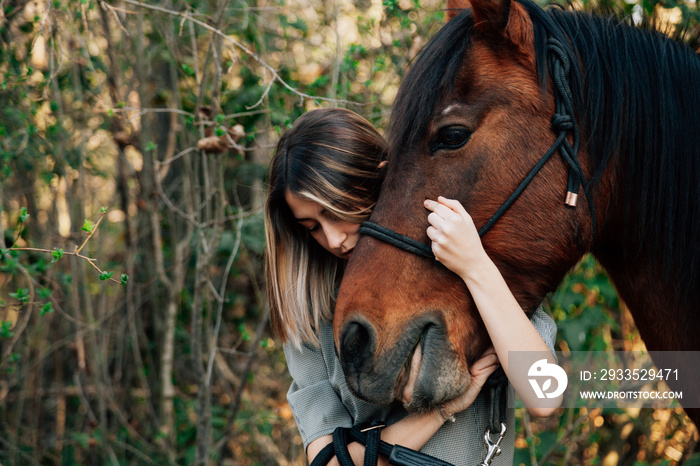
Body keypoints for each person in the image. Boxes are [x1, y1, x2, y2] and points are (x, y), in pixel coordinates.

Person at [264, 108, 559, 466]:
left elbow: (545, 395)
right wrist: (437, 412)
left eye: (338, 210)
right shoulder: (310, 315)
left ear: (381, 177)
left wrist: (476, 267)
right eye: (312, 226)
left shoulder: (471, 272)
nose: (334, 238)